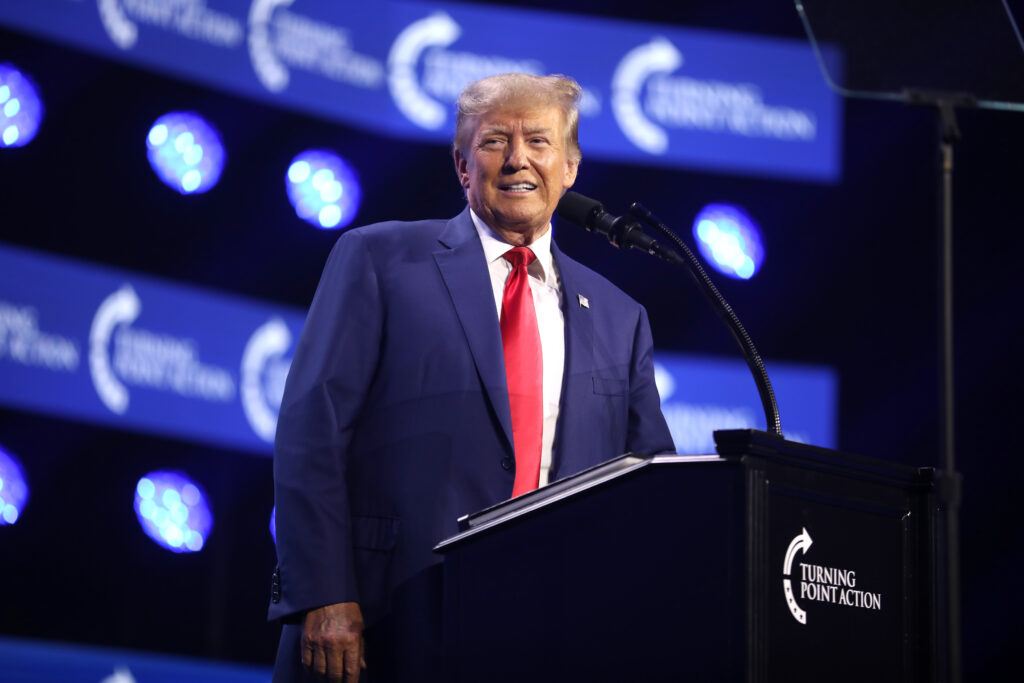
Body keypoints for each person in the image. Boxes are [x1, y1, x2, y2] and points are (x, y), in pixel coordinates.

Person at [268, 73, 674, 682]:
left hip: (547, 633)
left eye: (538, 142)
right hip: (387, 622)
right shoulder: (379, 259)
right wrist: (323, 593)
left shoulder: (620, 317)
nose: (518, 160)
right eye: (494, 142)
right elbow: (311, 431)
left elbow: (651, 487)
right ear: (462, 164)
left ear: (570, 168)